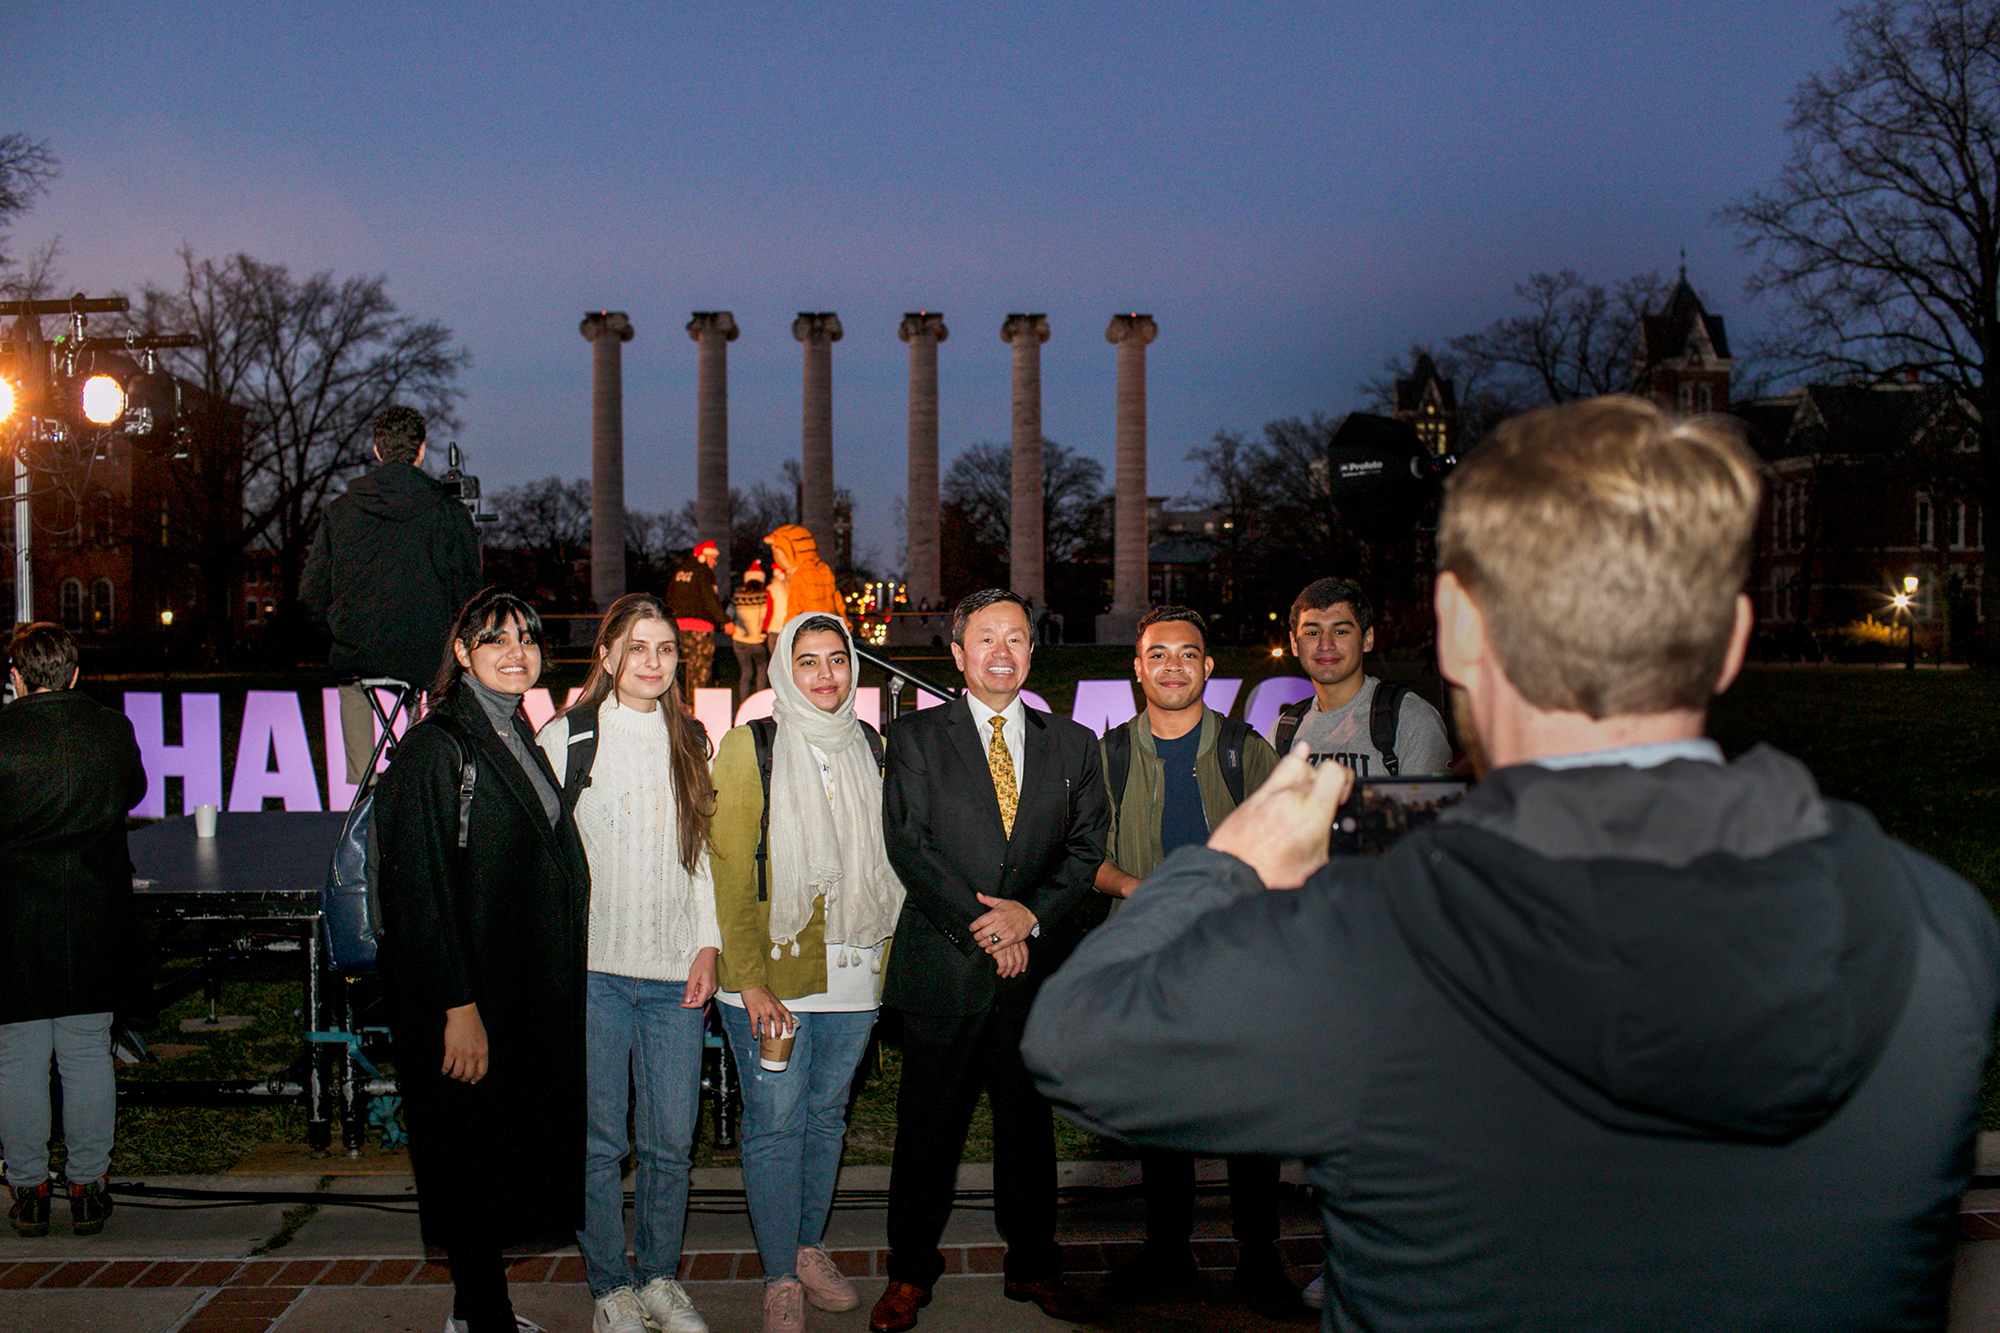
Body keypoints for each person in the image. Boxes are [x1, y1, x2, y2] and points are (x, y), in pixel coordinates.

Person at [1023, 396, 2000, 1331]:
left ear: (1456, 627)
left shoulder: (1380, 938)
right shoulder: (1940, 928)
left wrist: (1226, 864)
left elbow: (1079, 1041)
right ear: (1731, 638)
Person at [868, 589, 1110, 1333]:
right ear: (957, 653)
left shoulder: (1073, 743)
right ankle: (909, 1272)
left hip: (1033, 977)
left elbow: (1085, 849)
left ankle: (1033, 1264)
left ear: (1032, 651)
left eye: (1015, 638)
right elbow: (909, 844)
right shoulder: (914, 738)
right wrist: (990, 929)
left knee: (1029, 1132)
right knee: (927, 1134)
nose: (1001, 652)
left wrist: (1028, 918)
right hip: (946, 966)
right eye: (985, 638)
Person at [374, 589, 590, 1333]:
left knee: (491, 1153)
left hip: (512, 985)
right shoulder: (438, 747)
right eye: (495, 639)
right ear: (463, 652)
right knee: (467, 1156)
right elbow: (419, 889)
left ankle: (478, 1310)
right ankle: (485, 1318)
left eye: (526, 638)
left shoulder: (513, 729)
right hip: (466, 994)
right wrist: (457, 1006)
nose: (516, 652)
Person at [1089, 606, 1295, 1316]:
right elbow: (1086, 856)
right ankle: (1167, 1253)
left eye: (1187, 654)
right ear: (1137, 668)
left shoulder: (1245, 749)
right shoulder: (1109, 756)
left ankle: (1259, 1258)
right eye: (1158, 654)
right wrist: (1132, 887)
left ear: (1208, 667)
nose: (1172, 666)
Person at [711, 612, 906, 1333]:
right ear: (783, 672)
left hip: (856, 969)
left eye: (837, 659)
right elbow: (727, 871)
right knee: (774, 1124)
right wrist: (748, 978)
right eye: (808, 661)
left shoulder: (873, 746)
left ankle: (806, 1245)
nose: (826, 675)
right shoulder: (751, 746)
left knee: (826, 1118)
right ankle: (779, 1277)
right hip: (773, 976)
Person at [535, 594, 719, 1333]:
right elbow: (541, 857)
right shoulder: (567, 736)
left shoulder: (690, 738)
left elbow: (702, 852)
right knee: (600, 1143)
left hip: (676, 974)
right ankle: (610, 1287)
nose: (652, 661)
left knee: (671, 1142)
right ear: (607, 654)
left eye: (665, 649)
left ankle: (659, 1278)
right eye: (637, 647)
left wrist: (707, 944)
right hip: (594, 975)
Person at [0, 622, 145, 1239]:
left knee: (19, 1058)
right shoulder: (112, 729)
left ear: (16, 677)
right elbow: (133, 791)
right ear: (75, 673)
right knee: (87, 1053)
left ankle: (29, 1190)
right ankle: (87, 1188)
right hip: (93, 913)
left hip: (14, 919)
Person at [300, 404, 482, 785]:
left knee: (353, 689)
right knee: (446, 681)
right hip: (429, 653)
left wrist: (338, 628)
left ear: (377, 449)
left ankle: (365, 783)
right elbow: (470, 595)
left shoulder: (339, 511)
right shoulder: (449, 512)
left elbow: (312, 596)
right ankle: (427, 771)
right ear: (421, 450)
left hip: (358, 649)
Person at [1270, 576, 1451, 777]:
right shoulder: (1283, 731)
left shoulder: (1411, 720)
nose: (1325, 645)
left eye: (1340, 631)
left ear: (1368, 639)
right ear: (1294, 644)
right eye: (1312, 633)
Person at [668, 540, 730, 694]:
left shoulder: (680, 572)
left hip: (680, 628)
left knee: (688, 667)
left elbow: (670, 597)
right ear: (704, 556)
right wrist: (725, 621)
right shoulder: (704, 572)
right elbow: (710, 599)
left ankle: (687, 700)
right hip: (700, 628)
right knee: (701, 667)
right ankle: (695, 701)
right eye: (713, 558)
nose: (715, 563)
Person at [765, 525, 844, 624]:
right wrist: (843, 620)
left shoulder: (800, 574)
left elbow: (794, 608)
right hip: (828, 623)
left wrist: (786, 628)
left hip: (809, 625)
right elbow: (837, 599)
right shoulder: (824, 569)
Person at [732, 562, 773, 698]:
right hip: (756, 640)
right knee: (761, 669)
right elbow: (767, 615)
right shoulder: (763, 595)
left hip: (739, 639)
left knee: (746, 672)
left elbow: (729, 613)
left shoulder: (738, 594)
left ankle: (744, 703)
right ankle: (759, 701)